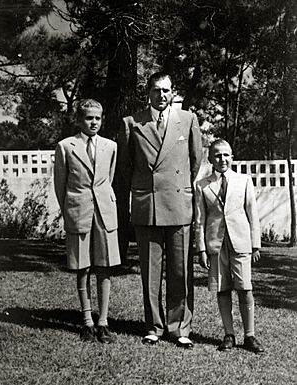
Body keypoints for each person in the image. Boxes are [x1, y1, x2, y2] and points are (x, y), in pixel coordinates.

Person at [117, 72, 203, 348]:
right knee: (150, 271)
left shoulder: (188, 120)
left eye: (166, 90)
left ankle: (180, 328)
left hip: (178, 203)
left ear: (173, 92)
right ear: (148, 92)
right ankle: (153, 326)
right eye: (156, 90)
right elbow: (125, 166)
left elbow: (195, 161)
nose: (162, 95)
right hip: (148, 204)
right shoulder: (132, 123)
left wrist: (180, 186)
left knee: (180, 271)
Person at [54, 99, 120, 343]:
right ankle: (87, 321)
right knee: (83, 267)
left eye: (98, 118)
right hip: (79, 212)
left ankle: (103, 321)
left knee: (104, 266)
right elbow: (60, 185)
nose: (94, 122)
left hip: (104, 213)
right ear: (79, 120)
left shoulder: (110, 146)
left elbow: (108, 180)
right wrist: (70, 210)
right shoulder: (65, 146)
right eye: (89, 118)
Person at [195, 138, 264, 353]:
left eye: (226, 155)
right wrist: (202, 249)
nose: (222, 159)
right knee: (222, 289)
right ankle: (229, 334)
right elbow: (200, 219)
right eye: (217, 155)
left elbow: (252, 212)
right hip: (216, 243)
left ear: (232, 157)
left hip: (240, 241)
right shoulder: (203, 185)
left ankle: (250, 336)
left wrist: (255, 244)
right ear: (210, 158)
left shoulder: (243, 180)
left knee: (245, 288)